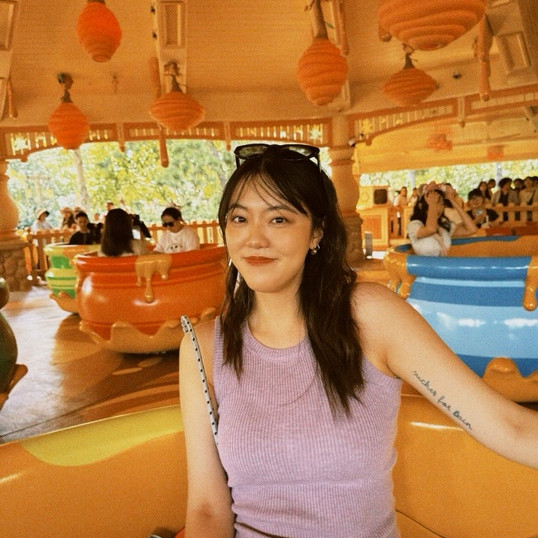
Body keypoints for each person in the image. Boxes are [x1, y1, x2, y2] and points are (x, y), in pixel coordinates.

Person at [179, 144, 538, 538]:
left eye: (278, 218)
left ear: (316, 232)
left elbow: (510, 427)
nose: (254, 238)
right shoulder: (204, 347)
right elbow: (207, 509)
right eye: (239, 218)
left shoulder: (370, 317)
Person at [407, 185, 477, 256]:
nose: (439, 208)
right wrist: (433, 204)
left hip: (443, 262)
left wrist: (453, 200)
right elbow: (431, 229)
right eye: (436, 203)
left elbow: (472, 229)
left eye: (442, 204)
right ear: (422, 206)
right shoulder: (415, 225)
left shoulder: (444, 226)